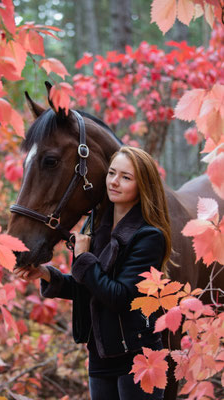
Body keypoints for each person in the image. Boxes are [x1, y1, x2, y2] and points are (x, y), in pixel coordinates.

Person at [14, 146, 172, 400]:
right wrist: (47, 275)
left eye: (126, 177)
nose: (114, 182)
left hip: (138, 356)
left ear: (143, 186)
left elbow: (120, 298)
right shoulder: (96, 228)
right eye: (111, 173)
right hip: (101, 354)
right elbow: (91, 290)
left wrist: (85, 258)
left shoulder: (149, 236)